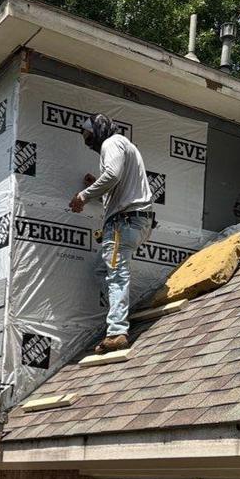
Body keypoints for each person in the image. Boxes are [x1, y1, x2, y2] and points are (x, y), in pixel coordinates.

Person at [69, 113, 154, 354]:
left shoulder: (111, 142)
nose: (90, 144)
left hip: (122, 225)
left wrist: (83, 196)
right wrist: (96, 184)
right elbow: (118, 186)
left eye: (90, 138)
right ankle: (123, 311)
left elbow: (113, 176)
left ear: (99, 130)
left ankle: (117, 331)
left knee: (116, 275)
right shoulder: (126, 146)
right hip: (134, 222)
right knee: (101, 270)